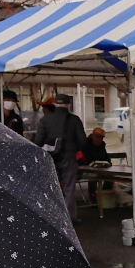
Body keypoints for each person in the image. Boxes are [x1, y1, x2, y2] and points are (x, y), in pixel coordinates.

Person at [34, 93, 88, 224]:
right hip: (69, 158)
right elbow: (82, 141)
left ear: (55, 104)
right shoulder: (74, 120)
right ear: (68, 105)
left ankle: (52, 217)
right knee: (69, 188)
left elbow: (38, 141)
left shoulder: (45, 120)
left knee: (52, 187)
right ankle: (68, 219)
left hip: (50, 159)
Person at [80, 126, 114, 199]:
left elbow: (106, 158)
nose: (99, 140)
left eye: (101, 138)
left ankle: (105, 196)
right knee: (93, 176)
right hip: (86, 169)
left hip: (100, 169)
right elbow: (86, 160)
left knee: (110, 175)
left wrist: (107, 163)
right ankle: (93, 197)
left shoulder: (102, 146)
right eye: (97, 137)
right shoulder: (86, 145)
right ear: (92, 136)